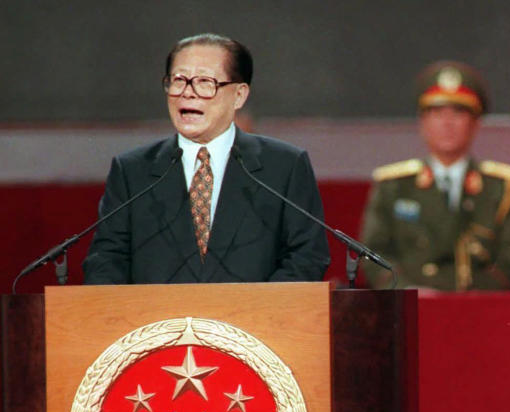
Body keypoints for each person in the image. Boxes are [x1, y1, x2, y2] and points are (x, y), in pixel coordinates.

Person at [83, 33, 329, 284]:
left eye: (204, 81)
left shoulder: (284, 166)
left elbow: (306, 257)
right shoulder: (133, 171)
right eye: (179, 80)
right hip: (158, 322)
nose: (187, 93)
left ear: (239, 95)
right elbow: (106, 260)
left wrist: (253, 313)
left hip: (254, 320)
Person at [360, 61, 510, 290]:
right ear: (422, 122)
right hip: (410, 309)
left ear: (476, 123)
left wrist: (460, 302)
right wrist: (408, 292)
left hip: (478, 311)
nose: (447, 123)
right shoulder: (393, 186)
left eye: (458, 113)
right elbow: (374, 255)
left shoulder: (504, 188)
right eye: (436, 113)